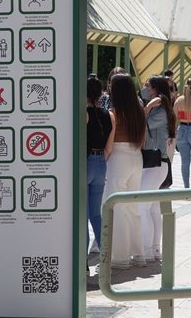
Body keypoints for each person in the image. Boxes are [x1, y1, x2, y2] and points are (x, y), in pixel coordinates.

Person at [103, 73, 147, 269]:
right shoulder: (139, 112)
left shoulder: (114, 113)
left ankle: (119, 257)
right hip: (136, 157)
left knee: (115, 207)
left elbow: (110, 144)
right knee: (131, 207)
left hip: (118, 158)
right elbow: (143, 140)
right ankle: (139, 254)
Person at [140, 76, 176, 261]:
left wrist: (146, 108)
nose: (144, 88)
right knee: (153, 208)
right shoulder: (161, 107)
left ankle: (146, 250)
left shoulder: (160, 110)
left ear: (155, 89)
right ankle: (154, 249)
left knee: (142, 207)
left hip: (155, 163)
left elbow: (143, 125)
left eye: (147, 86)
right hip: (155, 163)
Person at [86, 75, 112, 255]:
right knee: (96, 213)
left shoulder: (83, 113)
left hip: (85, 162)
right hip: (101, 163)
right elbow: (109, 148)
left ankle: (83, 259)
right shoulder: (108, 114)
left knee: (81, 215)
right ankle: (105, 255)